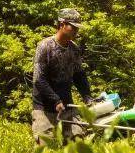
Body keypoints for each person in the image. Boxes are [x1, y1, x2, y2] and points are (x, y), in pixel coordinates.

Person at [31, 8, 94, 145]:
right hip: (45, 108)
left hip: (66, 106)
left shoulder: (74, 49)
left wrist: (87, 97)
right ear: (62, 25)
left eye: (78, 28)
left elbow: (79, 76)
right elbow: (38, 79)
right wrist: (55, 100)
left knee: (78, 144)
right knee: (44, 150)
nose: (76, 31)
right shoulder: (45, 46)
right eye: (73, 27)